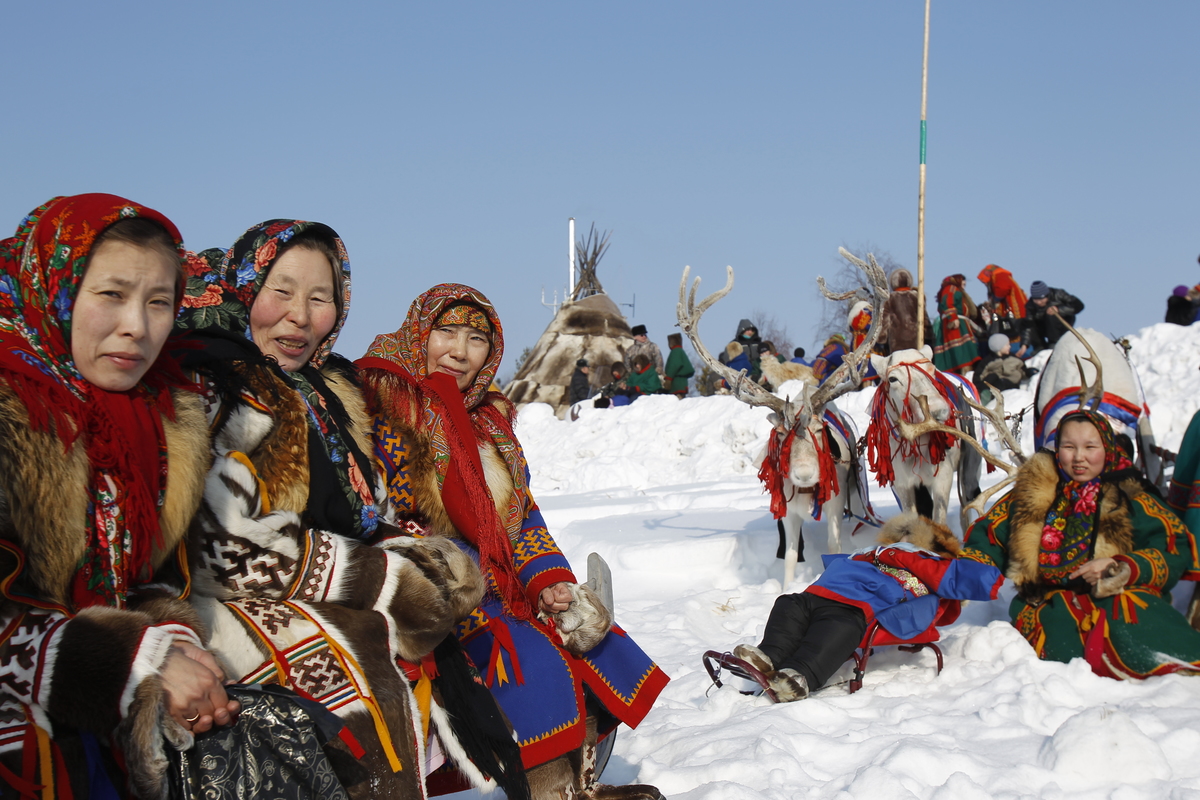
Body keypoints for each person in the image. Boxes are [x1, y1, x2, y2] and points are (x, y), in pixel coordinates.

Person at [176, 223, 516, 799]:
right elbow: (218, 548)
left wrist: (413, 551)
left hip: (313, 582)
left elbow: (372, 506)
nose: (300, 317)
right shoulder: (216, 384)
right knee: (353, 666)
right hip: (217, 600)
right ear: (244, 287)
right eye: (280, 291)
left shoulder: (332, 393)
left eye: (320, 298)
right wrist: (380, 578)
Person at [357, 284, 669, 800]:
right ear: (421, 332)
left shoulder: (489, 422)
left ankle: (581, 780)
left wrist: (547, 580)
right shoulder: (380, 403)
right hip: (428, 582)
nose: (459, 350)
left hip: (496, 574)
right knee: (526, 653)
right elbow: (375, 514)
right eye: (447, 332)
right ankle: (549, 790)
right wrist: (456, 568)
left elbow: (520, 515)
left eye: (476, 338)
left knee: (587, 635)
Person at [0, 194, 241, 796]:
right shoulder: (13, 403)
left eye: (159, 302)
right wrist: (136, 659)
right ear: (54, 288)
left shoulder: (158, 418)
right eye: (110, 294)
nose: (137, 325)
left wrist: (172, 639)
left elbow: (148, 576)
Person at [963, 409, 1200, 679]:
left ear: (1107, 448)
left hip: (1118, 598)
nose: (1079, 458)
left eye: (1090, 447)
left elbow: (1172, 547)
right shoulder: (1033, 492)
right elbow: (989, 537)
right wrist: (965, 572)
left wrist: (1121, 566)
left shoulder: (1130, 495)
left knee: (1148, 637)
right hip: (1048, 605)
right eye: (1068, 447)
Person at [729, 514, 1001, 701]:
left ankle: (800, 675)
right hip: (821, 592)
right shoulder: (870, 553)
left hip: (856, 605)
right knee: (788, 604)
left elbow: (955, 576)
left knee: (837, 627)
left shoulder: (918, 560)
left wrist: (998, 571)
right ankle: (769, 656)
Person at [977, 264, 1033, 356]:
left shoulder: (999, 276)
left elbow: (1002, 288)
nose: (985, 284)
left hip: (1014, 316)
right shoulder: (1003, 276)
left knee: (1014, 334)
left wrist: (995, 300)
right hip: (1018, 314)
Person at [932, 274, 981, 374]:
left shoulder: (957, 290)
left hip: (961, 324)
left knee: (963, 355)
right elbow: (948, 302)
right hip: (956, 328)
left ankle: (964, 373)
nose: (963, 287)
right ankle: (964, 373)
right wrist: (953, 318)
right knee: (962, 355)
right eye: (963, 284)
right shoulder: (951, 288)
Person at [878, 268, 933, 355]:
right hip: (916, 341)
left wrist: (881, 340)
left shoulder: (888, 299)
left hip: (896, 343)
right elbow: (924, 320)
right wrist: (929, 337)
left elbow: (885, 322)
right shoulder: (917, 297)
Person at [1025, 280, 1084, 349]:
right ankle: (1039, 347)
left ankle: (1054, 343)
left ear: (1047, 295)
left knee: (1051, 314)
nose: (1039, 302)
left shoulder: (1059, 294)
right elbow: (1028, 326)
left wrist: (1059, 310)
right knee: (1024, 323)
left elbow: (1079, 305)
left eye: (1041, 299)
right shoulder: (1030, 305)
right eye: (1036, 300)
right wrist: (1025, 344)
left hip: (1063, 324)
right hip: (1045, 328)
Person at [972, 333, 1030, 403]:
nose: (1010, 347)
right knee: (992, 376)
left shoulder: (1014, 359)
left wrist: (1028, 372)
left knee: (1002, 382)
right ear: (999, 347)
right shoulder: (988, 361)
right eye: (1007, 345)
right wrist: (980, 386)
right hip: (994, 385)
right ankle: (984, 395)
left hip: (1010, 384)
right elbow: (978, 376)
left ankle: (990, 396)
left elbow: (1022, 370)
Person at [662, 332, 694, 396]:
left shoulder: (675, 351)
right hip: (682, 384)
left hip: (676, 384)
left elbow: (674, 365)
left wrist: (669, 378)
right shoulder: (680, 351)